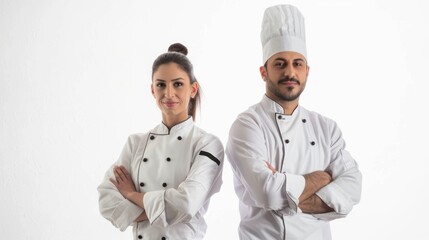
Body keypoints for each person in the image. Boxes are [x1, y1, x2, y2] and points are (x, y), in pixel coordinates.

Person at [226, 4, 362, 240]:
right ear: (263, 72)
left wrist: (286, 193)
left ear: (307, 71)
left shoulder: (326, 128)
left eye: (297, 63)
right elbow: (268, 193)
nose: (290, 72)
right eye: (280, 63)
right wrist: (322, 178)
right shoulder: (247, 125)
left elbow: (353, 187)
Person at [97, 43, 224, 240]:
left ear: (193, 89)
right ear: (152, 90)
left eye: (178, 84)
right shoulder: (135, 143)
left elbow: (186, 204)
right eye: (161, 84)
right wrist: (163, 211)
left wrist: (131, 195)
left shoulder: (207, 144)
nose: (168, 93)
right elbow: (106, 200)